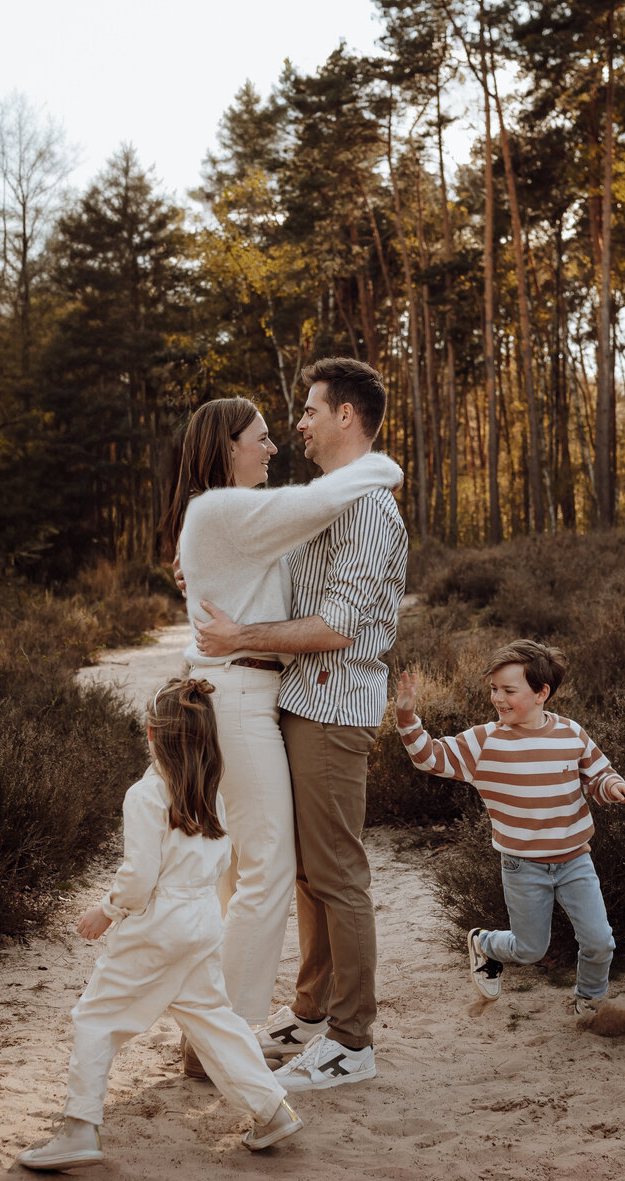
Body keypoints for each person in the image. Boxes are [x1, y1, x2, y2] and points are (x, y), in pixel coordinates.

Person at [193, 358, 408, 1091]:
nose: (301, 425)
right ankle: (313, 1012)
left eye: (312, 411)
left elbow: (340, 626)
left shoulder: (370, 507)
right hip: (298, 701)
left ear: (347, 415)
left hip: (333, 705)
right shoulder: (329, 498)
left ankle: (352, 1040)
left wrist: (242, 637)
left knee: (337, 873)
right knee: (311, 873)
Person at [19, 677, 302, 1173]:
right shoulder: (210, 795)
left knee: (97, 1017)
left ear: (151, 734)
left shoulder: (145, 794)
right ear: (207, 740)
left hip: (157, 924)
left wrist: (106, 911)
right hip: (201, 921)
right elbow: (221, 860)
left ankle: (79, 1129)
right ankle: (271, 1109)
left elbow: (139, 876)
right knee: (213, 1018)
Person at [395, 639, 625, 1016]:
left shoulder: (571, 732)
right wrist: (409, 718)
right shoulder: (483, 742)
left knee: (600, 941)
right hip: (522, 865)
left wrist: (613, 787)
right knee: (530, 949)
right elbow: (430, 758)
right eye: (494, 689)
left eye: (509, 690)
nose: (498, 698)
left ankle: (590, 1001)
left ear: (542, 693)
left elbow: (597, 775)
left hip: (575, 861)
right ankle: (485, 944)